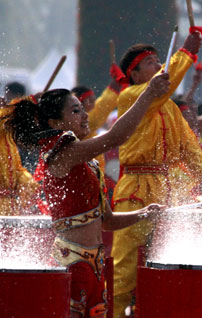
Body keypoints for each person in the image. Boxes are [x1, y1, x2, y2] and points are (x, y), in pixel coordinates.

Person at [5, 71, 170, 317]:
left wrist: (146, 213)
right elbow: (117, 136)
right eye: (75, 111)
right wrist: (148, 94)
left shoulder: (87, 163)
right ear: (55, 123)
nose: (85, 116)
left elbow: (108, 221)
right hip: (72, 262)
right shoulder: (62, 154)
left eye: (82, 109)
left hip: (95, 263)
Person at [111, 32, 202, 318]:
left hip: (166, 193)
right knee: (124, 272)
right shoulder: (130, 96)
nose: (158, 66)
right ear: (132, 74)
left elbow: (187, 145)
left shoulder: (169, 107)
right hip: (135, 192)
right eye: (149, 63)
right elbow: (162, 87)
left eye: (159, 60)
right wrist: (186, 54)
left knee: (161, 265)